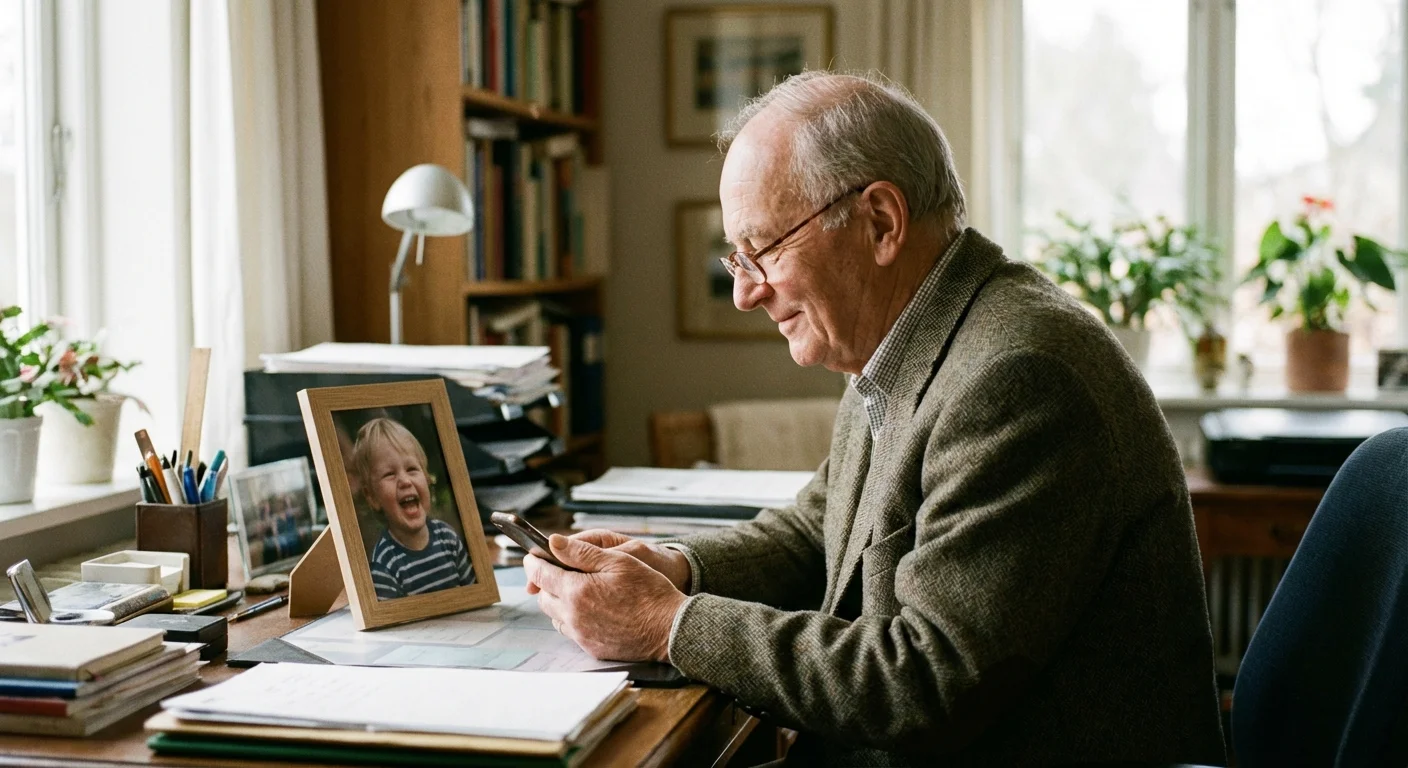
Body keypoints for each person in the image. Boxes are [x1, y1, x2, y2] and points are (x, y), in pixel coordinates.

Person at [525, 71, 1227, 766]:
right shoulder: (905, 337)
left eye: (763, 250)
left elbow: (924, 683)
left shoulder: (1019, 376)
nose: (744, 293)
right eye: (736, 256)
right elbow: (818, 533)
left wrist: (667, 624)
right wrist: (679, 567)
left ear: (881, 222)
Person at [350, 417, 475, 600]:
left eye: (412, 469)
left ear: (427, 478)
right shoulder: (384, 564)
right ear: (373, 498)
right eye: (390, 474)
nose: (405, 481)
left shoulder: (448, 538)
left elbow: (475, 594)